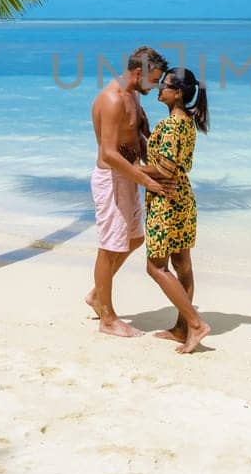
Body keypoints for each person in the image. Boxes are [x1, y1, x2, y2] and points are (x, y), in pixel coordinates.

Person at [86, 45, 169, 338]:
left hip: (128, 175)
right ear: (138, 73)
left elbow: (136, 137)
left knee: (133, 239)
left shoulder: (132, 93)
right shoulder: (112, 99)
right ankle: (107, 318)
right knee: (110, 248)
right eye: (153, 79)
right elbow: (108, 153)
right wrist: (146, 181)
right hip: (112, 179)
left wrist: (160, 167)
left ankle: (98, 294)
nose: (156, 85)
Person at [142, 67, 211, 353]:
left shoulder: (171, 126)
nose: (159, 88)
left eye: (165, 85)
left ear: (178, 93)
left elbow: (164, 169)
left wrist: (132, 169)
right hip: (183, 197)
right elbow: (170, 159)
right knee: (183, 265)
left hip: (166, 200)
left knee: (156, 266)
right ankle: (182, 328)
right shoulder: (186, 122)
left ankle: (195, 324)